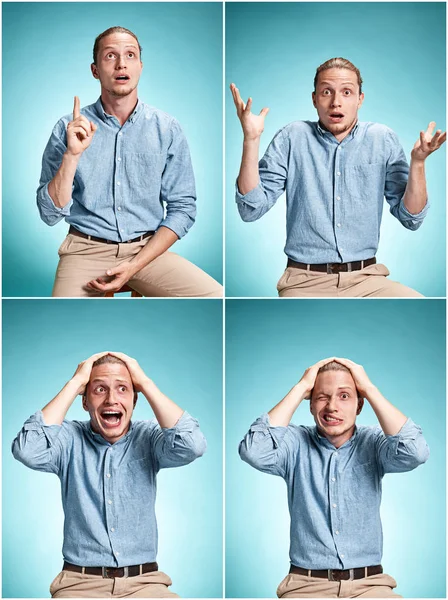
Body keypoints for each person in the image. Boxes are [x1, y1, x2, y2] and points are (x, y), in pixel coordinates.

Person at [231, 57, 446, 297]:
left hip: (367, 280)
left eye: (346, 92)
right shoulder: (292, 137)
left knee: (416, 306)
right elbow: (251, 209)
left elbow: (412, 219)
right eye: (326, 92)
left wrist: (418, 162)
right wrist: (251, 139)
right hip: (304, 282)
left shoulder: (382, 139)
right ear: (314, 99)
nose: (336, 103)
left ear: (360, 99)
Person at [37, 26, 222, 298]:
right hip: (85, 249)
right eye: (110, 56)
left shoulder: (167, 128)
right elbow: (49, 214)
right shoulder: (68, 127)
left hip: (146, 252)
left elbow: (183, 207)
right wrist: (72, 155)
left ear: (140, 66)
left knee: (215, 299)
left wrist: (135, 265)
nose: (121, 63)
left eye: (130, 55)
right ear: (95, 70)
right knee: (63, 320)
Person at [12, 352, 206, 598]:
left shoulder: (149, 436)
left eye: (123, 389)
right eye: (99, 389)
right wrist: (74, 384)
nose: (111, 399)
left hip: (145, 584)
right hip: (79, 585)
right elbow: (28, 450)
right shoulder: (68, 438)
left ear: (135, 400)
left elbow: (193, 445)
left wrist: (145, 383)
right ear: (84, 401)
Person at [239, 358, 429, 598]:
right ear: (309, 404)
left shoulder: (375, 442)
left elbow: (416, 452)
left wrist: (369, 389)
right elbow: (254, 451)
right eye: (322, 397)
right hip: (306, 586)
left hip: (370, 585)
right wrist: (299, 388)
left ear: (359, 406)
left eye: (344, 396)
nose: (332, 407)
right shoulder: (295, 442)